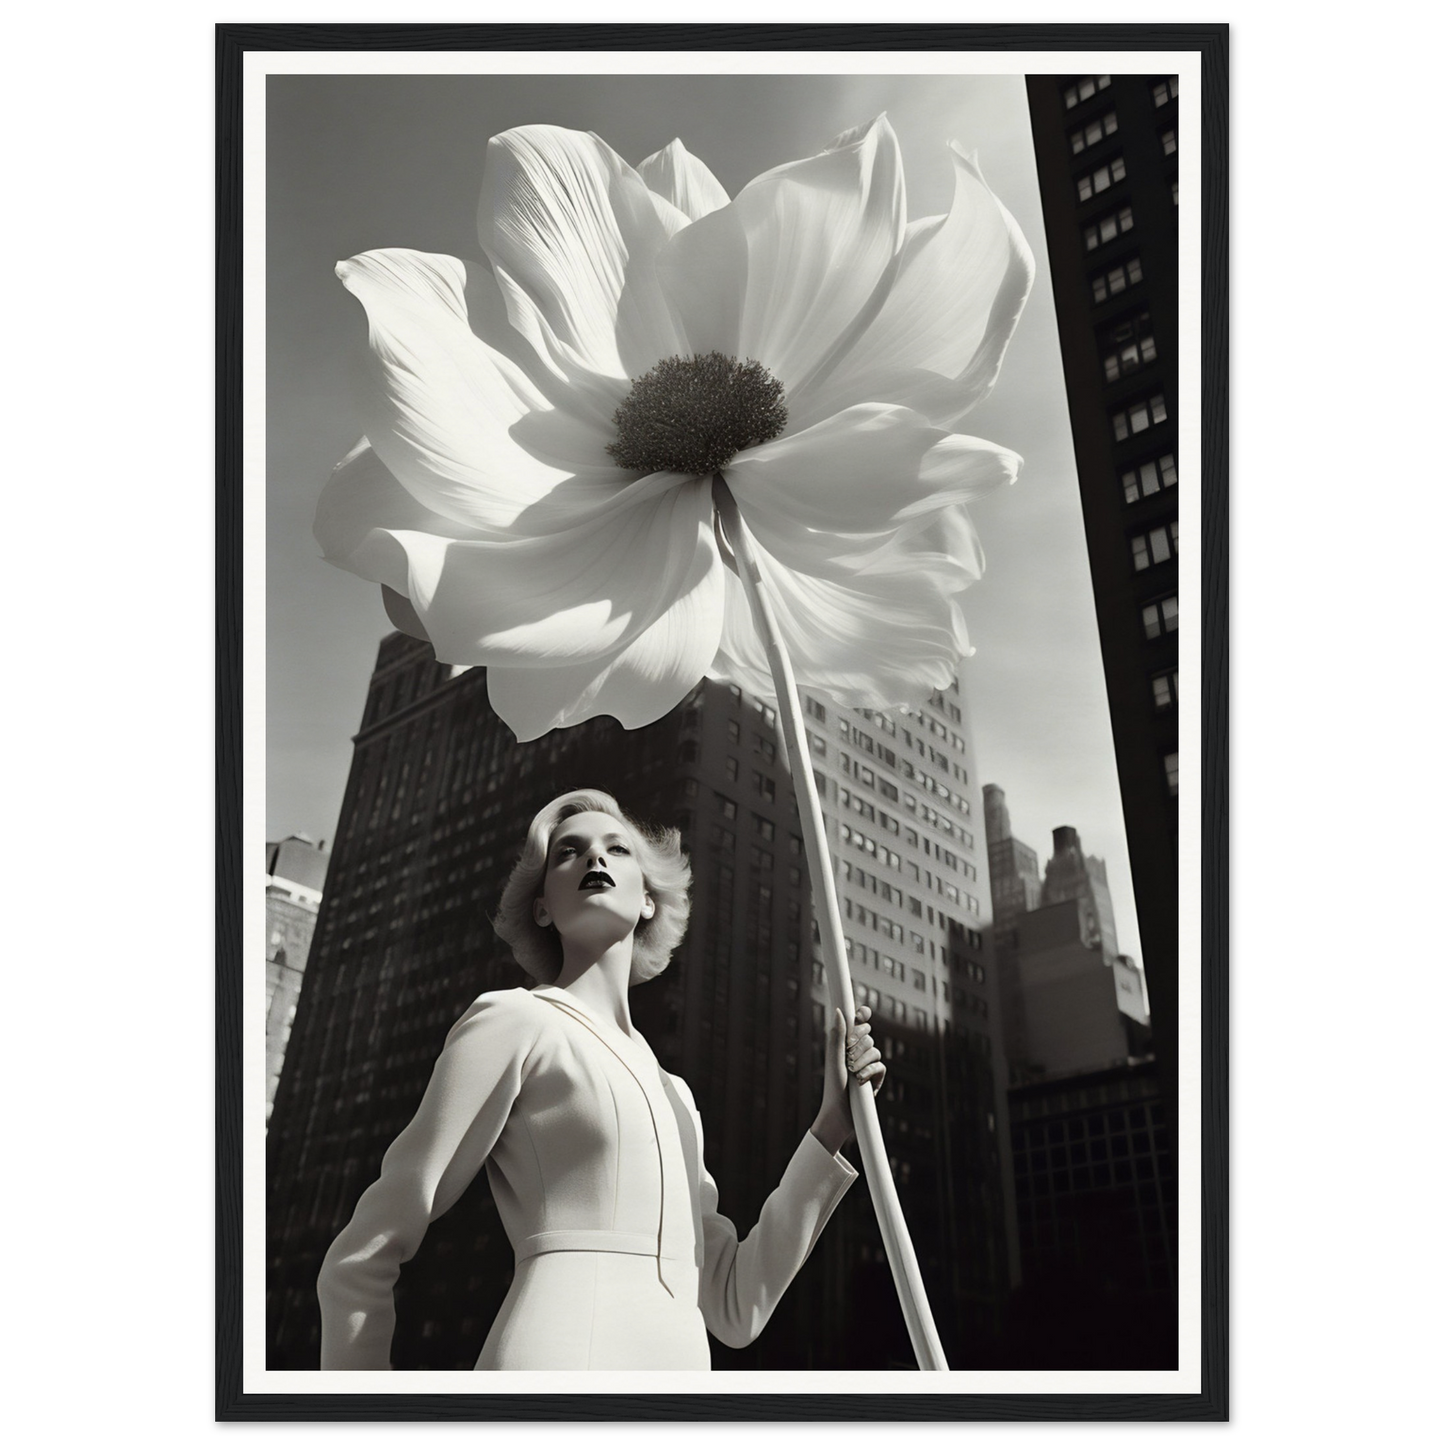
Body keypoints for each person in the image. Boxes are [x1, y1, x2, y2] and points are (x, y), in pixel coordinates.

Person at [317, 788, 885, 1370]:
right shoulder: (516, 1020)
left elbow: (735, 1308)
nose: (595, 859)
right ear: (542, 907)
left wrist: (832, 1126)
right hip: (555, 1367)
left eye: (617, 849)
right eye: (569, 852)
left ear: (648, 901)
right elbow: (365, 1253)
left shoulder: (675, 1093)